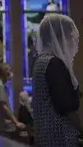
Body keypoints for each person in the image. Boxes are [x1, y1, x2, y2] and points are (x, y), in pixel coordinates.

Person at [32, 14, 82, 146]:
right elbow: (66, 107)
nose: (74, 40)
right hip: (60, 138)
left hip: (45, 136)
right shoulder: (54, 63)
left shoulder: (40, 60)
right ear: (59, 37)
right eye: (70, 36)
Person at [0, 61, 25, 134]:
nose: (11, 73)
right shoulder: (0, 86)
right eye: (10, 71)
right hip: (3, 127)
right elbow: (4, 106)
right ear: (5, 73)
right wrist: (16, 122)